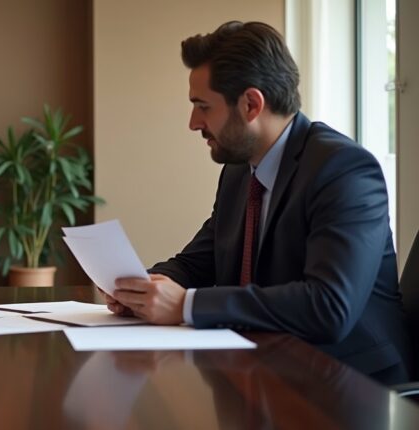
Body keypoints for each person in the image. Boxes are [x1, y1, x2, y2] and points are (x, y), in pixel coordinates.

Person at [104, 21, 411, 384]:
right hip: (271, 369)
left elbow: (328, 306)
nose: (193, 123)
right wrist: (139, 290)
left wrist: (186, 305)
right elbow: (201, 259)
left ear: (251, 104)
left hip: (353, 384)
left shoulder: (344, 170)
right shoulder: (239, 171)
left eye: (203, 106)